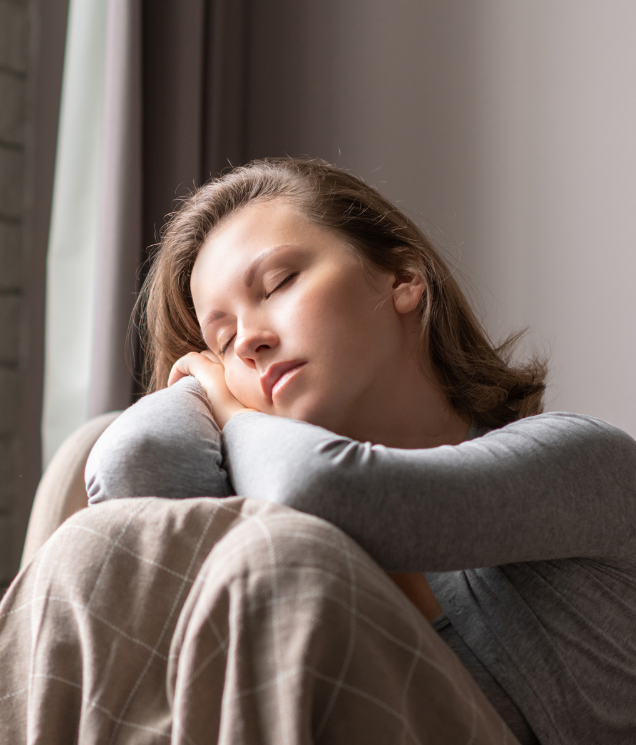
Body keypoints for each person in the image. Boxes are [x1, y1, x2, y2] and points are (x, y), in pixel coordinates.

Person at [81, 159, 636, 744]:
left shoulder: (588, 462)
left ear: (402, 278)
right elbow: (134, 474)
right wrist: (199, 387)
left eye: (278, 284)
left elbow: (321, 487)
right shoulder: (281, 546)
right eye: (221, 342)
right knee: (80, 553)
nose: (248, 341)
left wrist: (230, 409)